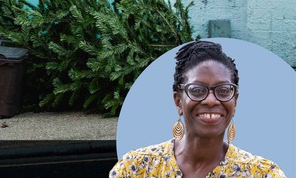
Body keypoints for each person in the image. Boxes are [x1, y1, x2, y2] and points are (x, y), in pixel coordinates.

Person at [109, 40, 286, 178]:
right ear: (178, 101)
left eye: (223, 91)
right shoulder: (136, 168)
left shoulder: (262, 173)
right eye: (197, 90)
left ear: (235, 102)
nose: (210, 100)